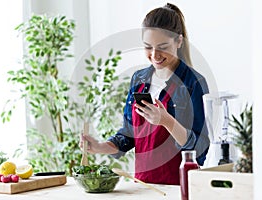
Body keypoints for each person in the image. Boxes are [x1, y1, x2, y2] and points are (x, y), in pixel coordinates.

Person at [80, 3, 210, 185]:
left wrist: (166, 121)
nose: (155, 54)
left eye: (163, 46)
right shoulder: (138, 79)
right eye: (148, 47)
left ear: (179, 41)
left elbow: (200, 149)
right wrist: (100, 147)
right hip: (142, 186)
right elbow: (128, 134)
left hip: (179, 187)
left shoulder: (194, 83)